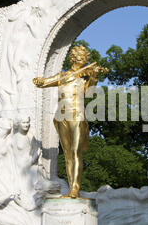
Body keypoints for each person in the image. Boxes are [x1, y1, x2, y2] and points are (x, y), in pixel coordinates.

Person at [33, 45, 109, 198]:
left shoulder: (84, 76)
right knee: (67, 154)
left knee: (76, 151)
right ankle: (70, 189)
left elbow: (90, 93)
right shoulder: (63, 76)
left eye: (84, 56)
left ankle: (75, 188)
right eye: (79, 56)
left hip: (77, 114)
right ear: (73, 57)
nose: (82, 58)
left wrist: (94, 76)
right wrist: (40, 81)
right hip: (61, 116)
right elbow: (45, 82)